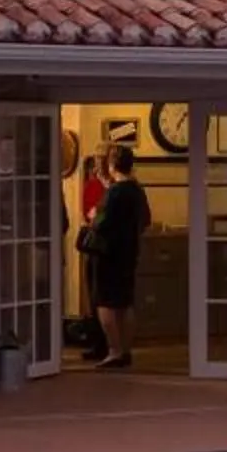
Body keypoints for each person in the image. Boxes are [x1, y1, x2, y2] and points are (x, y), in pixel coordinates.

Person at [82, 144, 151, 369]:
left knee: (105, 303)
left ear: (112, 165)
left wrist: (94, 215)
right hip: (129, 251)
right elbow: (146, 220)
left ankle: (114, 350)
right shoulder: (138, 191)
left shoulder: (114, 193)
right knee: (125, 302)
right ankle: (126, 349)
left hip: (108, 255)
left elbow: (100, 223)